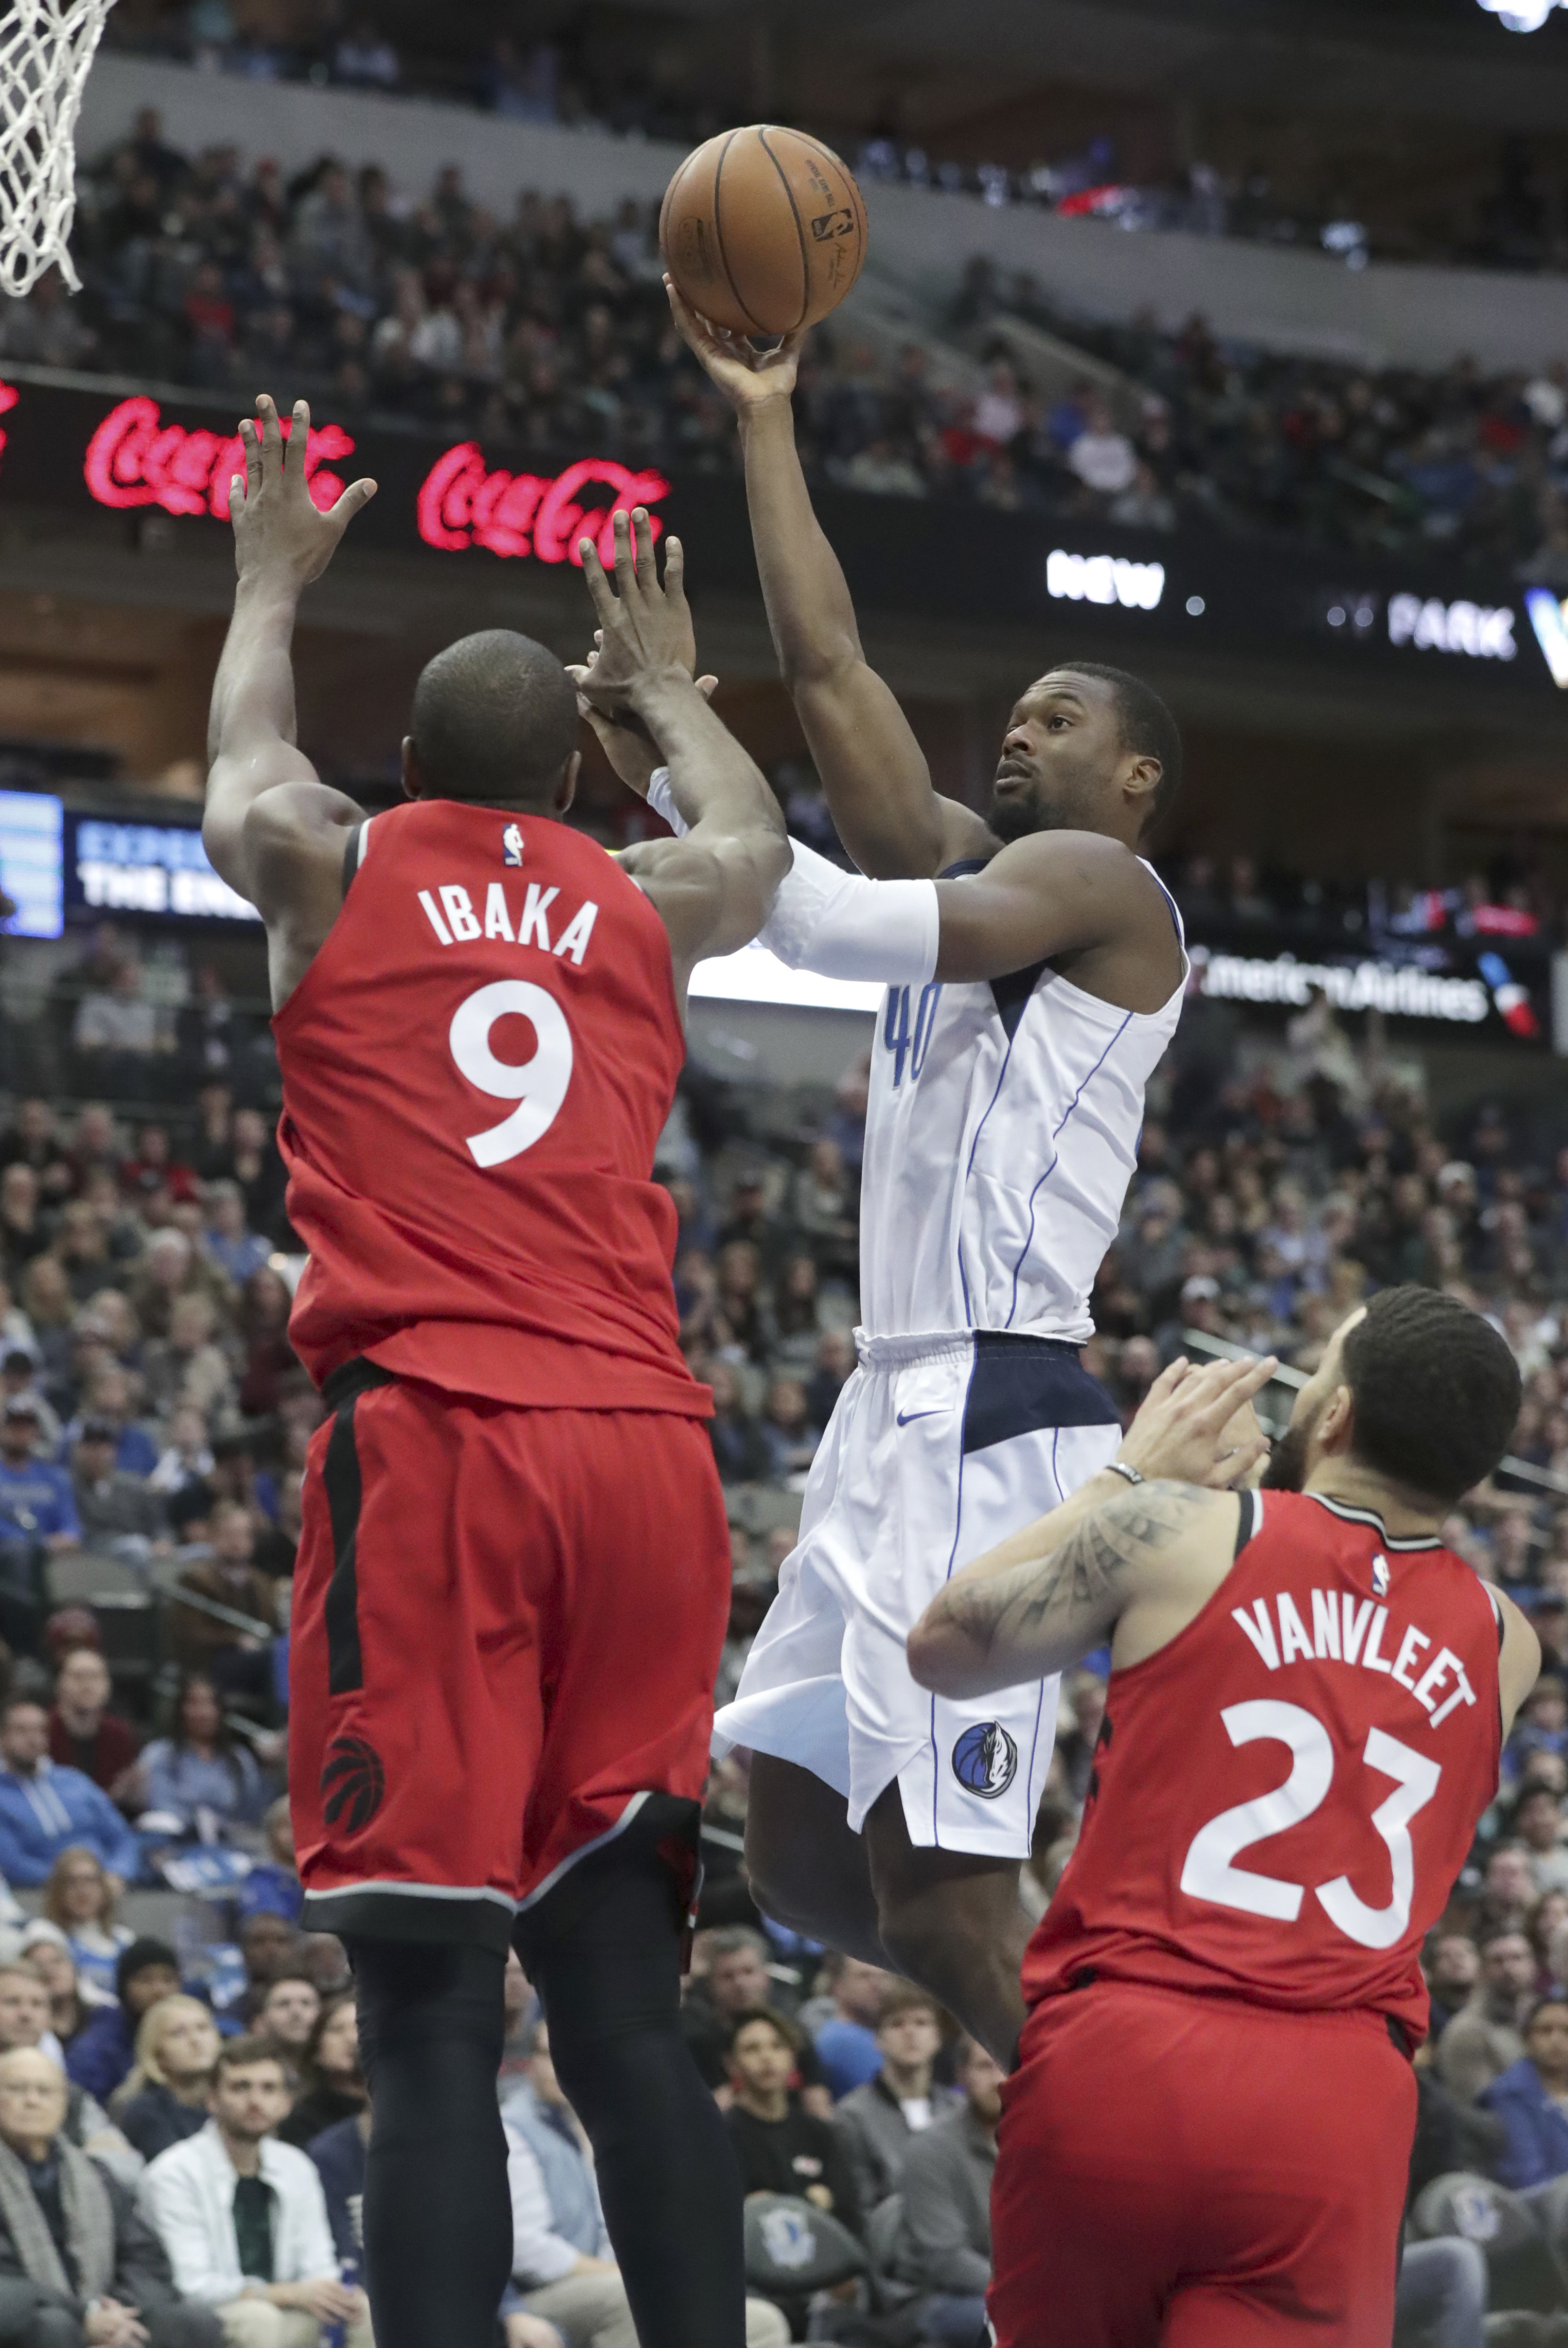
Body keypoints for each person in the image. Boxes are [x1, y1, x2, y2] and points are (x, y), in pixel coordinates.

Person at [202, 396, 788, 2348]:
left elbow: (241, 765)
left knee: (431, 2009)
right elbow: (754, 835)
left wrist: (270, 578)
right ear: (577, 778)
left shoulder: (329, 860)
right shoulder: (641, 896)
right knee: (625, 2012)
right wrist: (674, 691)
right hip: (647, 1453)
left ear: (414, 759)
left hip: (446, 1443)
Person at [665, 284, 1190, 2067]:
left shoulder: (1112, 902)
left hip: (1000, 1409)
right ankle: (1040, 2064)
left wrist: (682, 744)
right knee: (804, 1841)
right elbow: (830, 678)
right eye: (1015, 719)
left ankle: (1129, 2148)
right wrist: (762, 418)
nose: (1017, 735)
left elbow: (816, 913)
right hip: (890, 1403)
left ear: (1134, 778)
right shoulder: (975, 865)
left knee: (955, 1905)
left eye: (1057, 722)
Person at [905, 1290, 1539, 2345]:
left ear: (1331, 1417)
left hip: (1129, 2056)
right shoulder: (1503, 1639)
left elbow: (942, 1645)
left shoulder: (1188, 1528)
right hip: (1334, 2103)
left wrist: (1128, 1474)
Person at [140, 2036, 370, 2348]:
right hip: (204, 2316)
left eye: (269, 2089)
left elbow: (317, 2263)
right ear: (212, 2099)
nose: (255, 2101)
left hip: (284, 2308)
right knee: (259, 2319)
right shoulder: (174, 2172)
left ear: (286, 2103)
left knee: (362, 2312)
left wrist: (331, 2293)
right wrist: (284, 2293)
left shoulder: (296, 2165)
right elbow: (192, 2285)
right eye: (240, 2087)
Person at [0, 2045, 220, 2348]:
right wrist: (84, 2317)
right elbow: (9, 2284)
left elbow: (146, 2258)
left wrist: (118, 2314)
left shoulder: (96, 2175)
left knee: (193, 2323)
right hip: (32, 2320)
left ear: (64, 2104)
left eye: (45, 2091)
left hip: (102, 2312)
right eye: (17, 2089)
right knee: (52, 2327)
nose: (32, 2101)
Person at [892, 2039, 1002, 2346]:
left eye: (1005, 2066)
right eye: (985, 2066)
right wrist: (1026, 2290)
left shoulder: (1037, 2144)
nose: (998, 2079)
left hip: (1009, 2289)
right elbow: (945, 2260)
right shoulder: (930, 2149)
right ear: (962, 2075)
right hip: (940, 2297)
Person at [831, 1982, 955, 2214]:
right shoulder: (852, 2117)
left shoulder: (957, 2109)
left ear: (938, 2038)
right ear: (878, 2039)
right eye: (897, 2024)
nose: (910, 2032)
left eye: (921, 2023)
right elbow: (861, 2207)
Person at [0, 1706, 140, 1894]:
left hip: (106, 1888)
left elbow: (122, 1838)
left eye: (40, 1731)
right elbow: (12, 1863)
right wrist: (76, 1885)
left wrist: (118, 1872)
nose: (33, 1740)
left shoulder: (75, 1781)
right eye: (22, 1731)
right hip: (39, 1896)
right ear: (3, 1738)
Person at [134, 1682, 262, 1846]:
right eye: (194, 1704)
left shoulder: (240, 1758)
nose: (203, 1712)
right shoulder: (159, 1754)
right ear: (180, 1710)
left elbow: (250, 1815)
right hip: (173, 1845)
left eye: (210, 1704)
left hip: (229, 1847)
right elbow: (160, 1811)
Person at [65, 1944, 182, 2106]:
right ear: (124, 1987)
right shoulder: (95, 2048)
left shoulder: (190, 2036)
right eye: (146, 1979)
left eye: (168, 1979)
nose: (159, 1990)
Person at [1436, 1929, 1537, 2104]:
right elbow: (1478, 2108)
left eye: (1517, 1958)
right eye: (1498, 1961)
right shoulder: (1466, 2031)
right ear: (1482, 1970)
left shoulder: (1548, 2019)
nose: (1509, 1968)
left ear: (1533, 1965)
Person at [117, 1999, 222, 2164]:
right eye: (178, 2033)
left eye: (203, 2028)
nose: (196, 2040)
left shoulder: (232, 2102)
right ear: (158, 2054)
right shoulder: (143, 2113)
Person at [1480, 1995, 1568, 2190]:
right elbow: (1528, 2178)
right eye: (1545, 2031)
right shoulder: (1509, 2093)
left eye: (1566, 2031)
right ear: (1527, 2039)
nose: (1556, 2040)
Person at [47, 1656, 138, 1807]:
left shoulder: (120, 1735)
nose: (87, 1685)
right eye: (78, 1677)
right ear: (60, 1683)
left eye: (95, 1677)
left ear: (108, 1685)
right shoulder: (44, 1729)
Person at [810, 1956, 890, 2101]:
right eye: (864, 1976)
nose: (877, 1985)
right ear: (838, 1986)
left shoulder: (875, 2032)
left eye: (884, 1976)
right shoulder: (842, 2040)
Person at [233, 1809, 300, 1933]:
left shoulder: (323, 1875)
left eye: (302, 1825)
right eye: (288, 1826)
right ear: (271, 1834)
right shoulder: (260, 1877)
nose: (296, 1833)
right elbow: (270, 1930)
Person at [246, 1986, 317, 2089]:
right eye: (284, 2004)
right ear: (260, 2022)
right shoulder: (243, 2071)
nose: (296, 2012)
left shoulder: (335, 2076)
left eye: (306, 2003)